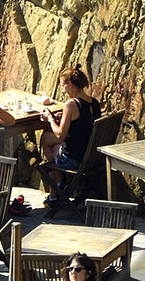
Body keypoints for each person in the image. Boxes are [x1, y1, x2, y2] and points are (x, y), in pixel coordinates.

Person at [38, 68, 100, 202]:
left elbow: (60, 135)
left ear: (70, 84)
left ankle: (57, 185)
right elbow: (83, 125)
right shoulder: (94, 103)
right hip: (92, 158)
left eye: (64, 86)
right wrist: (64, 118)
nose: (64, 90)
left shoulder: (71, 104)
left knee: (47, 140)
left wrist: (50, 118)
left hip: (75, 160)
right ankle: (56, 190)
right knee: (52, 141)